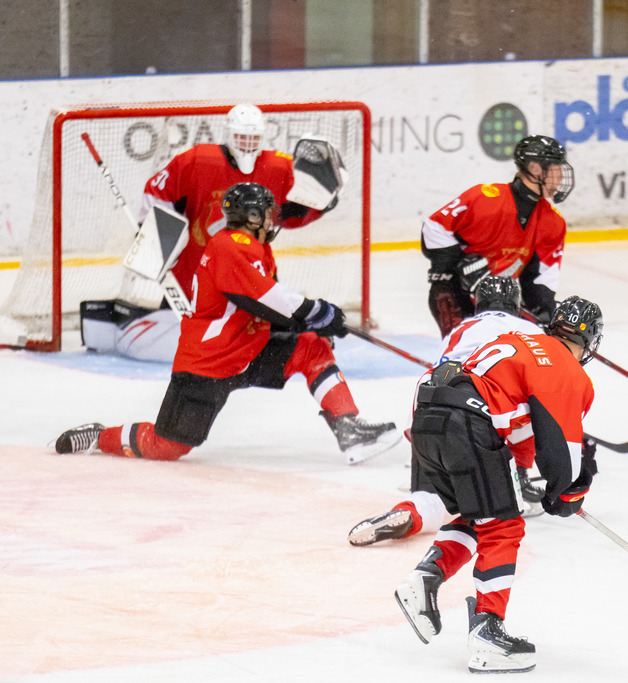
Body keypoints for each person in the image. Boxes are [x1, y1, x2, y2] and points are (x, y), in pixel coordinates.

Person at [56, 183, 399, 465]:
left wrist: (306, 324)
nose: (271, 219)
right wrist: (318, 311)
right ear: (252, 217)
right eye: (266, 212)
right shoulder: (229, 246)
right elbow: (267, 298)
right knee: (166, 446)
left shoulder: (255, 247)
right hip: (208, 364)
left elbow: (263, 308)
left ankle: (348, 427)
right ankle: (101, 436)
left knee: (311, 347)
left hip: (247, 351)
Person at [393, 295, 603, 674]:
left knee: (484, 514)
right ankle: (488, 633)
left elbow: (523, 438)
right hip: (468, 424)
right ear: (588, 343)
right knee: (505, 526)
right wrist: (569, 489)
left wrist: (541, 481)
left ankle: (424, 579)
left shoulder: (518, 340)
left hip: (428, 418)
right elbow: (563, 450)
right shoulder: (567, 369)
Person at [81, 103, 341, 362]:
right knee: (186, 339)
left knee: (272, 335)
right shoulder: (197, 160)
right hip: (192, 275)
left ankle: (300, 343)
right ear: (228, 135)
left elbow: (297, 210)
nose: (247, 144)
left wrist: (322, 203)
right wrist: (155, 234)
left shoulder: (278, 167)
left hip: (252, 271)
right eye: (242, 137)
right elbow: (158, 191)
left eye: (253, 138)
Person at [346, 276, 556, 546]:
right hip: (477, 418)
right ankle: (520, 479)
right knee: (534, 407)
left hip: (426, 412)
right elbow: (542, 391)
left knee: (432, 500)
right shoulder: (532, 330)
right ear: (516, 304)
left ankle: (411, 512)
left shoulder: (461, 328)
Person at [421, 134, 574, 337]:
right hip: (457, 294)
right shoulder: (485, 198)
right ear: (536, 168)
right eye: (557, 168)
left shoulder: (553, 222)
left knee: (503, 357)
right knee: (464, 352)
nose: (561, 177)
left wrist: (545, 312)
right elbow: (435, 227)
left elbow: (540, 278)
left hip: (499, 301)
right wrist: (455, 266)